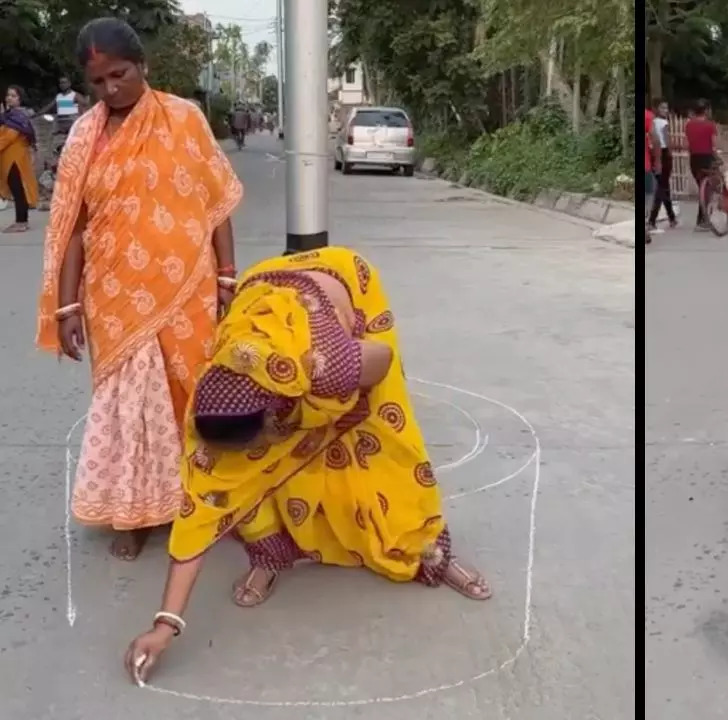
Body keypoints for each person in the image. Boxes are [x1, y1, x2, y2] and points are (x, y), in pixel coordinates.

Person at [122, 246, 493, 682]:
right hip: (263, 303)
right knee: (244, 478)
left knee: (385, 446)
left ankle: (424, 548)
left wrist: (316, 417)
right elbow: (200, 512)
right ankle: (271, 555)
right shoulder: (212, 404)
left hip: (345, 293)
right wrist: (165, 624)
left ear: (272, 410)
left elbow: (382, 363)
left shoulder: (328, 363)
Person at [36, 18, 243, 559]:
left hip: (186, 286)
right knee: (127, 407)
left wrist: (227, 276)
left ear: (142, 66)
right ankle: (132, 513)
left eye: (119, 75)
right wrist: (67, 306)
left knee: (189, 397)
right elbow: (73, 228)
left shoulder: (184, 118)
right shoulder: (84, 135)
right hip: (112, 293)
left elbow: (216, 203)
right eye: (98, 82)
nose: (110, 89)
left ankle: (194, 501)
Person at [0, 86, 39, 233]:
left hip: (15, 160)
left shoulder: (18, 117)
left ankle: (21, 221)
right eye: (8, 95)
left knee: (18, 190)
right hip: (9, 158)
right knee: (17, 190)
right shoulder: (7, 116)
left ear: (19, 99)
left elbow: (7, 138)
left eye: (13, 96)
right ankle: (21, 220)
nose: (9, 98)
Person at [685, 100, 718, 231]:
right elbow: (714, 144)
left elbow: (687, 143)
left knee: (702, 187)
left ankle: (702, 218)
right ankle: (702, 219)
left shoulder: (688, 125)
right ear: (706, 110)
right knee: (707, 189)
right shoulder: (710, 125)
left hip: (694, 159)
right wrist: (717, 156)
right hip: (707, 158)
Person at [647, 100, 676, 230]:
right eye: (663, 108)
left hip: (654, 153)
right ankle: (652, 219)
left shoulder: (653, 121)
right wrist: (670, 152)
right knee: (662, 188)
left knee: (664, 186)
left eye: (667, 108)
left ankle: (672, 217)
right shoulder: (664, 123)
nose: (666, 110)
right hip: (663, 153)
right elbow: (666, 139)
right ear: (656, 109)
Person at [643, 105, 660, 244]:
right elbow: (655, 138)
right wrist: (658, 160)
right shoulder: (647, 116)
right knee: (648, 193)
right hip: (645, 166)